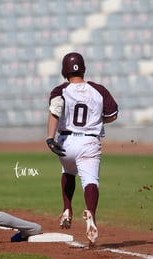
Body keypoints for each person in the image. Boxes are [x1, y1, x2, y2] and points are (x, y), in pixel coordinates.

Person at [45, 52, 118, 245]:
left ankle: (67, 208)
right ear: (83, 68)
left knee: (68, 172)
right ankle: (91, 213)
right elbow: (113, 114)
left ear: (64, 70)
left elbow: (54, 112)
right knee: (90, 180)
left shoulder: (60, 90)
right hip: (89, 142)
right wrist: (97, 120)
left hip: (66, 142)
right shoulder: (99, 90)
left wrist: (50, 139)